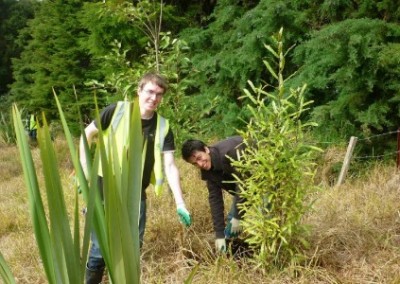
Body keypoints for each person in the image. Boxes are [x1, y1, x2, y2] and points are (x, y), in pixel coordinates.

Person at [80, 72, 192, 284]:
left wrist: (180, 202)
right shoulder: (116, 111)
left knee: (131, 250)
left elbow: (169, 165)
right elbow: (87, 135)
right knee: (99, 250)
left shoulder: (163, 126)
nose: (154, 98)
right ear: (139, 91)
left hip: (135, 195)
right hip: (104, 189)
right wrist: (85, 173)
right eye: (150, 91)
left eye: (159, 94)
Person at [181, 136, 245, 252]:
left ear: (206, 149)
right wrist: (219, 234)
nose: (200, 164)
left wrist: (238, 216)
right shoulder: (207, 171)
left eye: (200, 158)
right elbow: (215, 199)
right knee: (230, 227)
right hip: (243, 190)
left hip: (263, 181)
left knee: (263, 216)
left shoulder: (231, 152)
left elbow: (245, 183)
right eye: (195, 163)